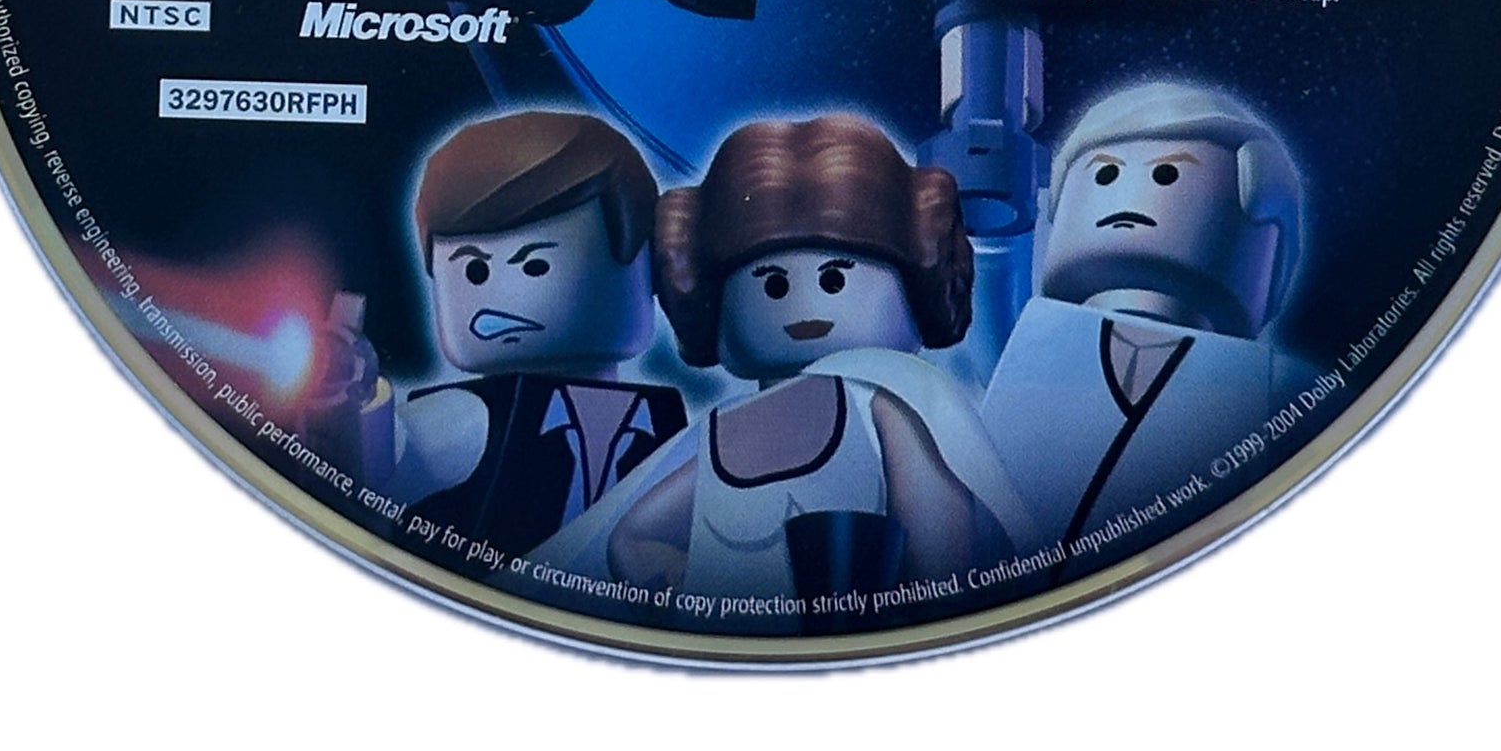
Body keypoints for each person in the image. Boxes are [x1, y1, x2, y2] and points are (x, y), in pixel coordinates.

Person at [540, 116, 1029, 625]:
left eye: (835, 279)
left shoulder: (887, 408)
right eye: (771, 284)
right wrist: (684, 591)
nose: (803, 303)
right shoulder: (722, 430)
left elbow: (939, 544)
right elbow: (633, 536)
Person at [980, 82, 1309, 553]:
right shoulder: (1030, 344)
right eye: (1105, 176)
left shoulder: (1281, 388)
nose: (1127, 201)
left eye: (1167, 175)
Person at [383, 110, 686, 558]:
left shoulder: (665, 422)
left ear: (644, 262)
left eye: (535, 265)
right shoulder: (466, 416)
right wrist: (347, 409)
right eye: (475, 271)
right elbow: (386, 456)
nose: (498, 298)